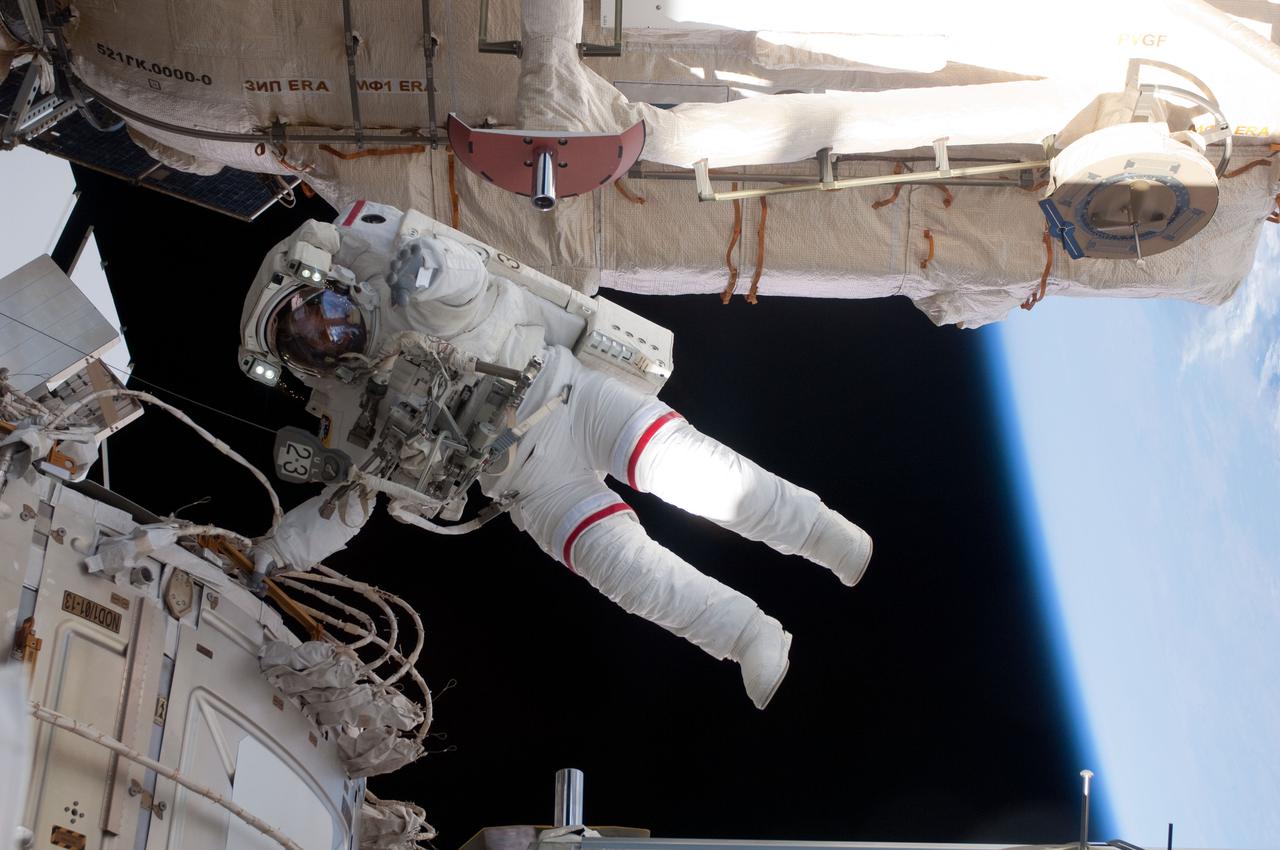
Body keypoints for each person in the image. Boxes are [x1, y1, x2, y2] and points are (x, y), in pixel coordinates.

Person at [240, 201, 872, 709]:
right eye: (306, 342)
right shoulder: (349, 418)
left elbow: (466, 280)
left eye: (317, 309)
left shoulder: (409, 288)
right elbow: (347, 505)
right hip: (530, 486)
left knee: (706, 478)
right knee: (632, 577)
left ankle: (823, 535)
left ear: (334, 285)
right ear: (303, 366)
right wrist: (280, 550)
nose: (327, 330)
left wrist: (428, 265)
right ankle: (750, 636)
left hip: (571, 397)